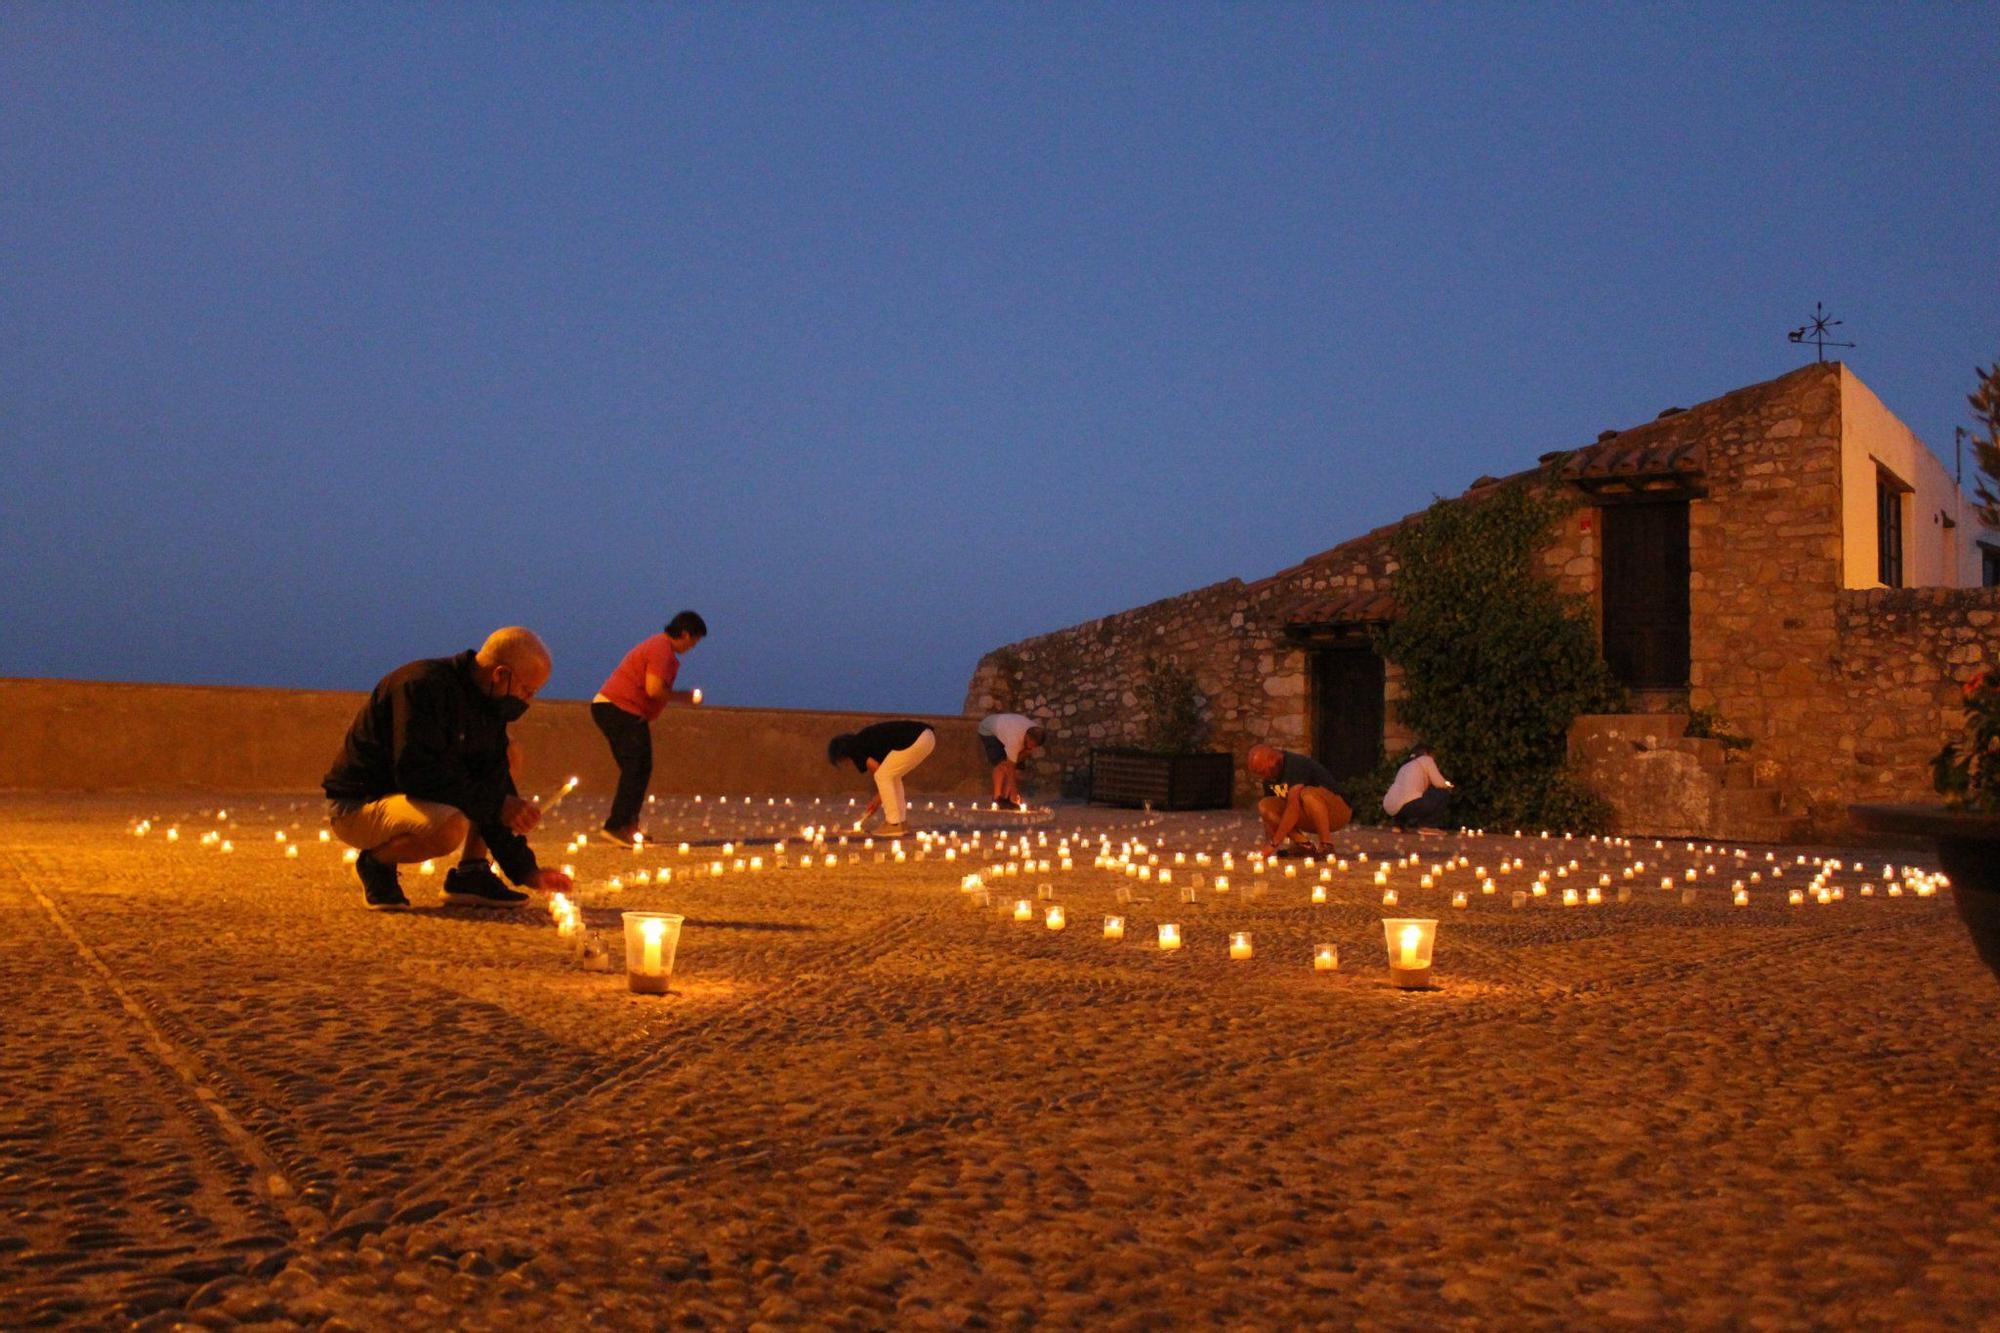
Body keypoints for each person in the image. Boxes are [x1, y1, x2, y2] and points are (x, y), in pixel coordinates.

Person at [324, 627, 574, 911]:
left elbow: (495, 783)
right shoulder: (421, 686)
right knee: (448, 829)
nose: (526, 701)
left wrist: (529, 872)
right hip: (360, 804)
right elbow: (415, 772)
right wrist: (497, 804)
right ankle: (376, 864)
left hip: (414, 798)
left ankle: (472, 874)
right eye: (526, 690)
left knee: (508, 754)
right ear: (500, 674)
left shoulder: (487, 706)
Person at [591, 610, 707, 846]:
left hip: (622, 710)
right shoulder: (661, 649)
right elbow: (654, 689)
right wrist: (686, 697)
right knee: (636, 767)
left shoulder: (661, 649)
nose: (693, 647)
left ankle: (628, 826)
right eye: (694, 641)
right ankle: (616, 827)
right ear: (685, 634)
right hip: (619, 709)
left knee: (639, 768)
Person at [826, 720, 936, 838]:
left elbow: (878, 772)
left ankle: (893, 824)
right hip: (927, 737)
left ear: (842, 754)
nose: (845, 765)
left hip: (917, 739)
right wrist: (879, 797)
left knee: (884, 775)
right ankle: (901, 822)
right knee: (892, 775)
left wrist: (878, 799)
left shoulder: (855, 748)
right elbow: (884, 773)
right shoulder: (864, 741)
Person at [1245, 743, 1352, 857]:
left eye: (1261, 771)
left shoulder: (1295, 765)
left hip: (1337, 812)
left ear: (1272, 760)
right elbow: (1269, 818)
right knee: (1265, 805)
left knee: (1307, 794)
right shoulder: (1269, 778)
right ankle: (1303, 845)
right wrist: (1268, 845)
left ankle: (1326, 845)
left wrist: (1273, 844)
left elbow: (1293, 808)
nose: (1262, 776)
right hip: (1308, 816)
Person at [977, 712, 1045, 809]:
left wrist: (1026, 752)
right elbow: (1010, 766)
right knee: (1002, 764)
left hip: (1006, 728)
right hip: (988, 730)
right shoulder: (1015, 739)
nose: (1032, 748)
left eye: (1034, 746)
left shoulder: (1036, 732)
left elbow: (1018, 762)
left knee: (1018, 769)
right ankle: (998, 798)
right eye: (1031, 745)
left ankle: (1007, 798)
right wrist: (1015, 791)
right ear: (1027, 737)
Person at [1384, 744, 1455, 832]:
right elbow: (1439, 783)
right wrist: (1448, 786)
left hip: (1390, 805)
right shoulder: (1426, 759)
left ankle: (1398, 825)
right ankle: (1429, 826)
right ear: (1426, 753)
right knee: (1443, 792)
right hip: (1410, 805)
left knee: (1405, 797)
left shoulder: (1405, 765)